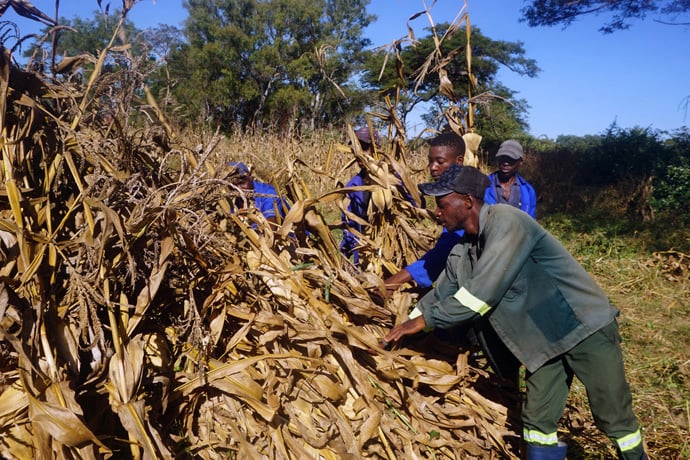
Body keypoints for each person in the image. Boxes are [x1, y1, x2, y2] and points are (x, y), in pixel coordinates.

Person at [383, 165, 647, 460]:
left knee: (613, 416)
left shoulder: (507, 222)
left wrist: (424, 322)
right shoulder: (463, 250)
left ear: (467, 201)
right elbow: (441, 294)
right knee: (537, 421)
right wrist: (400, 327)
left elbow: (480, 295)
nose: (437, 212)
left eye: (442, 204)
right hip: (544, 341)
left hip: (583, 324)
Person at [382, 131, 466, 295]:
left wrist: (395, 281)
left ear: (459, 161)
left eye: (440, 162)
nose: (433, 167)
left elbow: (448, 248)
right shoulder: (447, 189)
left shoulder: (463, 196)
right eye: (430, 161)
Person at [340, 126, 381, 264]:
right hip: (363, 250)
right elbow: (349, 225)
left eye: (363, 148)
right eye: (355, 149)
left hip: (388, 246)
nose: (359, 154)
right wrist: (344, 254)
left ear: (376, 149)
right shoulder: (352, 186)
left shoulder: (393, 179)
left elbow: (415, 205)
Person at [483, 139, 537, 219]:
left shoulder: (528, 191)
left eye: (511, 159)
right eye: (502, 158)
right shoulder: (483, 185)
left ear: (520, 162)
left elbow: (531, 222)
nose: (505, 163)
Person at [229, 161, 286, 226]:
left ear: (250, 176)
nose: (239, 189)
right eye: (232, 186)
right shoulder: (230, 201)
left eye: (242, 183)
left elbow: (271, 227)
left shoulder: (269, 194)